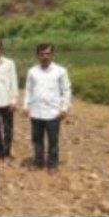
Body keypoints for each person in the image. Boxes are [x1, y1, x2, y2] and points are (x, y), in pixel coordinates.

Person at [25, 43, 71, 173]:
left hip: (53, 112)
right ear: (37, 55)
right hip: (36, 111)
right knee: (37, 139)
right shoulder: (32, 71)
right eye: (42, 54)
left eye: (47, 53)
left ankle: (52, 164)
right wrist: (26, 106)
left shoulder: (60, 71)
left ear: (52, 54)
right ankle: (38, 162)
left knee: (53, 140)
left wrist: (64, 108)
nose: (45, 56)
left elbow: (66, 90)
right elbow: (28, 90)